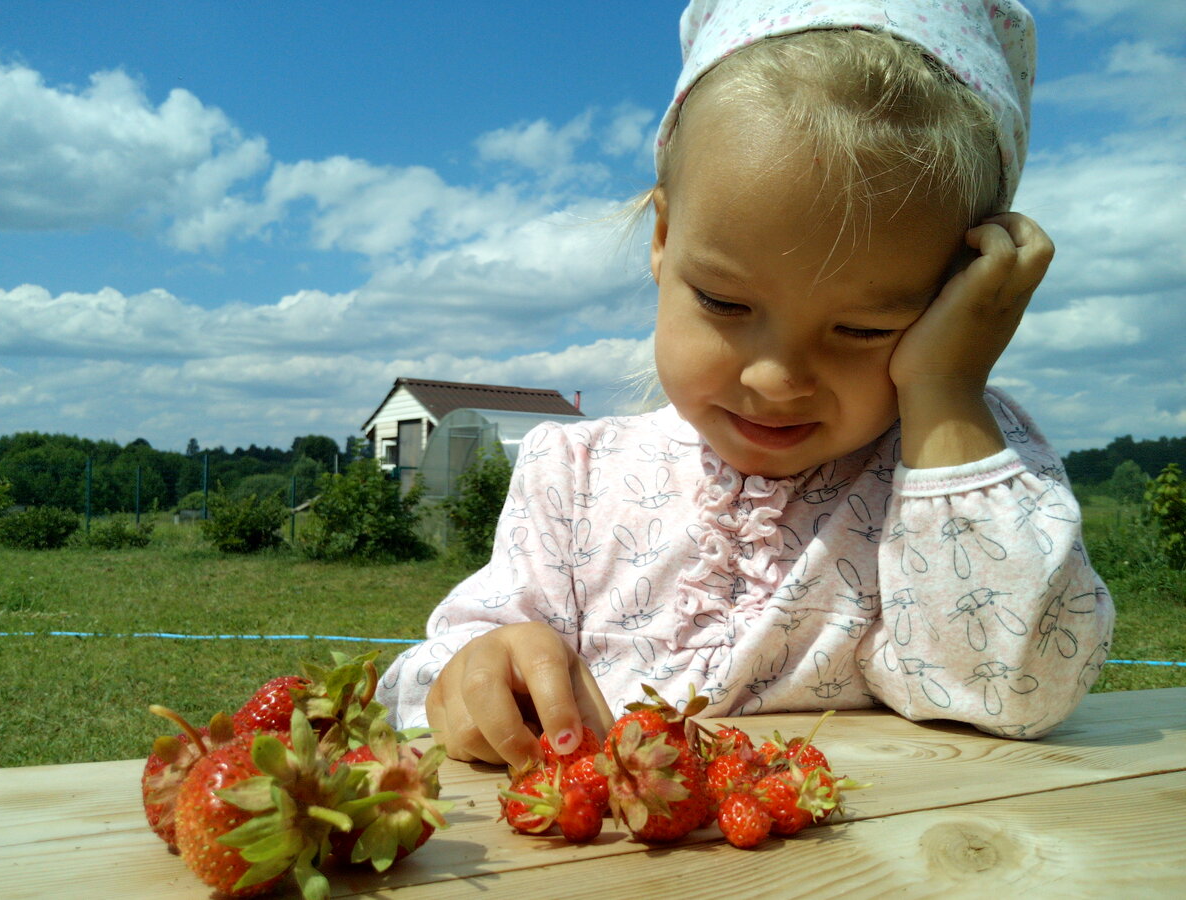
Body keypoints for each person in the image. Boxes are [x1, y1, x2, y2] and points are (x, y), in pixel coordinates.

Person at [376, 0, 1115, 768]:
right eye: (725, 304)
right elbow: (431, 687)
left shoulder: (945, 474)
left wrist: (947, 391)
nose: (777, 379)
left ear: (956, 304)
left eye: (864, 329)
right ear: (663, 239)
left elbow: (1019, 689)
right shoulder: (574, 477)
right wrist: (482, 667)